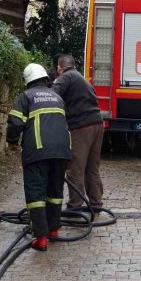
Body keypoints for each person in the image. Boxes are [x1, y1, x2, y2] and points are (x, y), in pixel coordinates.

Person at [7, 63, 72, 251]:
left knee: (36, 193)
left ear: (28, 80)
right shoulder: (57, 97)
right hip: (61, 151)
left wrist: (11, 140)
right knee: (54, 192)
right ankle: (53, 230)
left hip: (38, 151)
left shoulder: (26, 97)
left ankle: (41, 238)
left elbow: (15, 124)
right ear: (45, 79)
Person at [52, 54, 104, 209]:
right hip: (97, 124)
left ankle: (75, 205)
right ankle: (96, 203)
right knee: (92, 167)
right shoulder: (81, 78)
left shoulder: (65, 77)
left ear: (59, 68)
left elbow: (52, 95)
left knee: (76, 167)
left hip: (81, 127)